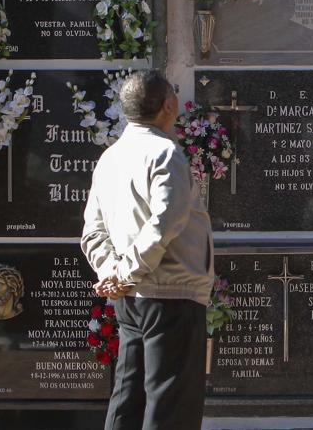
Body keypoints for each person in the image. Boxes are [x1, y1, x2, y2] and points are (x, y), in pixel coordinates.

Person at [81, 70, 213, 430]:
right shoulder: (165, 152)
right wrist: (123, 274)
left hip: (129, 296)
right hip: (171, 292)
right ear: (168, 105)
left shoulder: (110, 157)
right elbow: (165, 221)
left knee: (129, 398)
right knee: (170, 403)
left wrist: (112, 274)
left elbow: (93, 229)